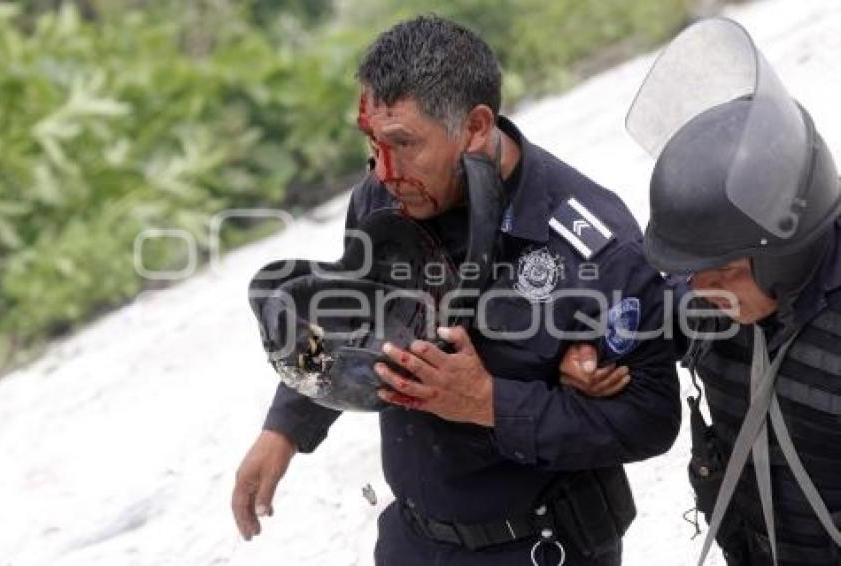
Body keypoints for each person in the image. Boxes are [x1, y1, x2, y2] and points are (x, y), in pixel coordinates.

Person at [232, 15, 681, 566]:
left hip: (540, 547)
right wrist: (285, 428)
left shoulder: (591, 248)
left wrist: (490, 403)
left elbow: (650, 420)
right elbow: (349, 319)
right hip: (413, 541)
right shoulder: (382, 199)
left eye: (403, 142)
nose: (383, 167)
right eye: (371, 141)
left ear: (474, 127)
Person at [565, 18, 841, 566]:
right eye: (690, 272)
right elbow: (629, 313)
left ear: (782, 254)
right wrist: (586, 359)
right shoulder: (706, 297)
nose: (697, 289)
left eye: (719, 272)